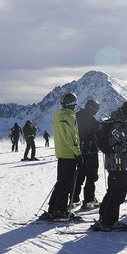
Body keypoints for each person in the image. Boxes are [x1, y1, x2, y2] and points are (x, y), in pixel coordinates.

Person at [92, 102, 127, 231]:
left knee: (112, 191)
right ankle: (110, 222)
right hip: (119, 164)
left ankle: (104, 217)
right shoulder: (120, 126)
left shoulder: (113, 122)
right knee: (118, 194)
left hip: (112, 163)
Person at [40, 93, 82, 221]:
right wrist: (78, 153)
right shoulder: (70, 117)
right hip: (69, 154)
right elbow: (72, 138)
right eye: (74, 103)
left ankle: (53, 208)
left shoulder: (57, 115)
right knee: (67, 184)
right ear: (72, 104)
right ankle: (60, 210)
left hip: (61, 153)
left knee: (61, 182)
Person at [71, 99, 101, 209]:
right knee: (91, 176)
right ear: (90, 107)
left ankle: (74, 199)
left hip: (78, 151)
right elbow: (93, 132)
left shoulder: (76, 116)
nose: (96, 112)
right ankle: (89, 200)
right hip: (90, 151)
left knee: (79, 175)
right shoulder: (90, 119)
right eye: (96, 109)